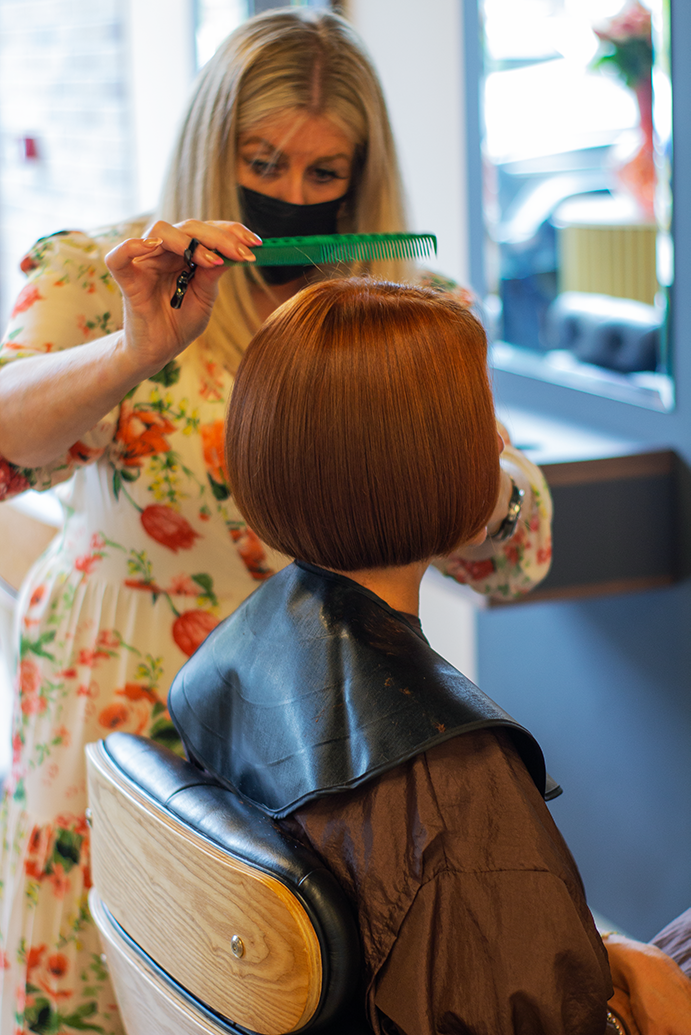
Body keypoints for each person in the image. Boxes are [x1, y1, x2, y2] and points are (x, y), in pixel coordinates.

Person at [0, 9, 551, 1033]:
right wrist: (131, 350)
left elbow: (513, 557)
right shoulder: (95, 276)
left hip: (319, 730)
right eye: (261, 162)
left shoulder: (408, 306)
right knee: (109, 979)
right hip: (119, 686)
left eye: (323, 173)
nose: (290, 195)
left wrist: (460, 474)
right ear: (213, 145)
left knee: (283, 982)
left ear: (363, 171)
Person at [168, 277, 691, 1035]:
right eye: (482, 417)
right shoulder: (447, 793)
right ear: (420, 461)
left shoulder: (234, 654)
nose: (502, 442)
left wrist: (608, 955)